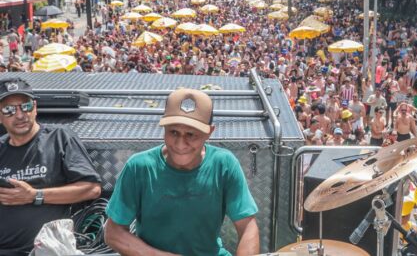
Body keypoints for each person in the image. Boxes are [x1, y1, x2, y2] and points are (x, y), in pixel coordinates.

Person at [105, 89, 259, 256]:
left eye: (191, 135)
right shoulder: (139, 167)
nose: (180, 144)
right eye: (173, 132)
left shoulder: (224, 165)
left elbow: (248, 226)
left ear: (209, 132)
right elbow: (113, 232)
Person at [0, 78, 102, 256]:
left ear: (35, 107)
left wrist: (34, 196)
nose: (20, 115)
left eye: (25, 106)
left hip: (48, 249)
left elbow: (92, 189)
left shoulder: (59, 138)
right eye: (9, 109)